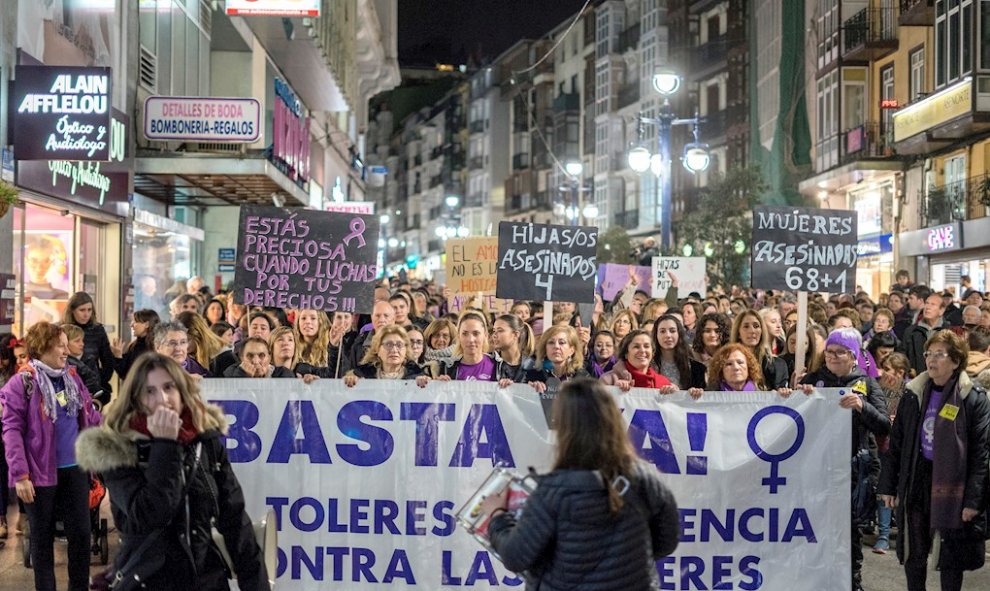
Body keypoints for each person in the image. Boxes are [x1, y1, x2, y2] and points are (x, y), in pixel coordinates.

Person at [74, 353, 271, 591]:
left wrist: (255, 583)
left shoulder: (204, 441)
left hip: (204, 578)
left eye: (169, 387)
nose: (163, 399)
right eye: (150, 391)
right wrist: (165, 445)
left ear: (182, 391)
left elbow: (235, 519)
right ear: (136, 399)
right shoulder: (118, 448)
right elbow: (149, 515)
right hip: (148, 579)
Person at [481, 378, 680, 589]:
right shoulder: (645, 479)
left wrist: (497, 516)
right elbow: (666, 541)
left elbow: (516, 557)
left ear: (566, 428)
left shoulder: (553, 492)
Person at [879, 330, 989, 590]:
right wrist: (888, 486)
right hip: (918, 479)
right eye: (929, 354)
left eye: (940, 354)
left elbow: (981, 455)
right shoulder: (914, 393)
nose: (932, 359)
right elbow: (897, 444)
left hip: (954, 487)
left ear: (956, 359)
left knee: (951, 558)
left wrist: (974, 501)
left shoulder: (972, 398)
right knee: (913, 554)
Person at [1, 321, 101, 591]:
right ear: (42, 347)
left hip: (76, 469)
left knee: (81, 536)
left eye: (66, 344)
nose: (66, 350)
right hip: (39, 475)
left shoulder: (72, 377)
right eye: (59, 344)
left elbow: (90, 416)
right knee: (42, 541)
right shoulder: (21, 383)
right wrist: (20, 475)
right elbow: (10, 430)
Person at [800, 327, 891, 591]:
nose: (834, 357)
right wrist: (794, 393)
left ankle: (853, 581)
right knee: (816, 528)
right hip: (818, 468)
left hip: (853, 470)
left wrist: (863, 407)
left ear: (854, 356)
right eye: (829, 351)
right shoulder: (814, 379)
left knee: (850, 532)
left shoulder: (867, 383)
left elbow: (884, 425)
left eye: (841, 352)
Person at [64, 291, 114, 397]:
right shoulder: (61, 329)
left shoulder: (97, 330)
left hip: (92, 389)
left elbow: (108, 362)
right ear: (72, 310)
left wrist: (98, 381)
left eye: (89, 310)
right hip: (65, 386)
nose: (86, 314)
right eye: (82, 310)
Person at [343, 326, 428, 386]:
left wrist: (427, 387)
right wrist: (350, 385)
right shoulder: (361, 375)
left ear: (406, 350)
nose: (394, 350)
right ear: (377, 349)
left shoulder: (417, 376)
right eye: (388, 344)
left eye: (399, 345)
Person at [730, 310, 789, 389]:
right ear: (738, 333)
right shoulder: (727, 364)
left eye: (756, 326)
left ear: (762, 331)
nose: (752, 331)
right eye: (746, 326)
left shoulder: (776, 365)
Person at [601, 330, 675, 392]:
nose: (642, 350)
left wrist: (675, 395)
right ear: (626, 353)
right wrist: (614, 392)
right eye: (636, 346)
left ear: (652, 353)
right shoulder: (608, 380)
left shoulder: (664, 383)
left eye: (646, 346)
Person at [525, 325, 590, 393]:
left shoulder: (582, 377)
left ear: (571, 350)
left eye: (561, 343)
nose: (556, 346)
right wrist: (530, 390)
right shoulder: (534, 376)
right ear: (545, 349)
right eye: (551, 342)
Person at [652, 315, 707, 389]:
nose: (668, 335)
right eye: (662, 331)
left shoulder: (697, 369)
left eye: (672, 331)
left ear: (679, 334)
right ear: (656, 335)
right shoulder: (648, 365)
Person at [438, 311, 496, 381]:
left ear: (485, 335)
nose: (471, 339)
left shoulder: (499, 366)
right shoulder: (446, 368)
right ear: (458, 336)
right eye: (465, 334)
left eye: (476, 333)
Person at [904, 291, 947, 375]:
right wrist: (909, 370)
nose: (927, 307)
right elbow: (903, 354)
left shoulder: (948, 332)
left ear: (941, 310)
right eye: (927, 303)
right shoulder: (911, 331)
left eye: (933, 304)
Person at [61, 324, 105, 406]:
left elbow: (96, 385)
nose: (82, 344)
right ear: (65, 343)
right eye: (77, 341)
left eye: (82, 340)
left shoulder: (90, 359)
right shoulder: (58, 362)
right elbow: (58, 391)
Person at [111, 309, 160, 380]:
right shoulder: (134, 345)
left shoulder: (157, 347)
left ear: (146, 324)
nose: (131, 325)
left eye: (135, 321)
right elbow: (124, 373)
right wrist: (118, 356)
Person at [491, 314, 535, 384]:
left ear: (516, 334)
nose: (494, 335)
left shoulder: (532, 365)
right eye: (494, 331)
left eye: (500, 330)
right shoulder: (490, 362)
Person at [224, 336, 294, 378]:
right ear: (241, 358)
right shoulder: (230, 375)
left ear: (269, 358)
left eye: (261, 355)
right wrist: (242, 378)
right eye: (250, 356)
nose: (256, 361)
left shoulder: (284, 375)